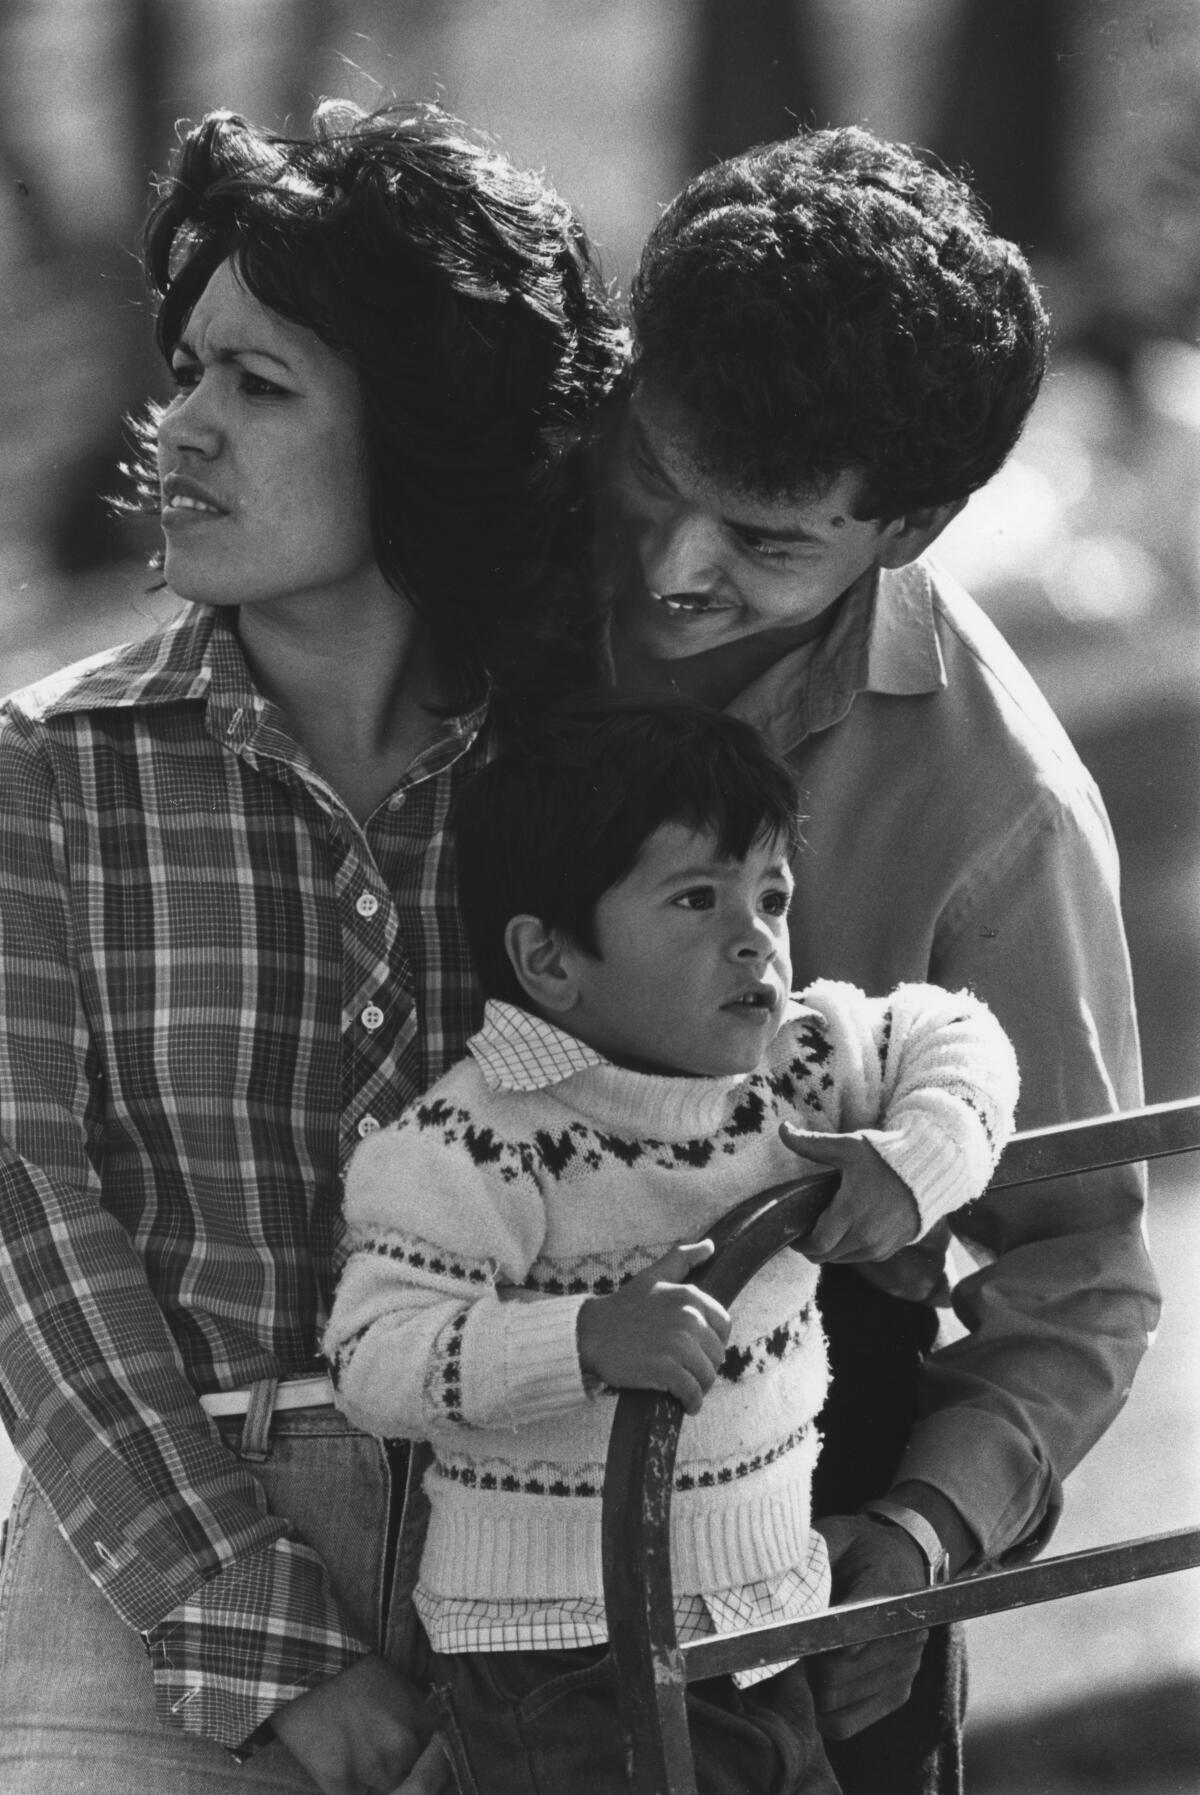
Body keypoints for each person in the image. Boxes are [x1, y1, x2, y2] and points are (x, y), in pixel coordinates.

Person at [0, 101, 623, 1794]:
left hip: (538, 1582)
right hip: (143, 1585)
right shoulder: (48, 772)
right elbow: (28, 1234)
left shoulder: (583, 787)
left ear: (425, 440)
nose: (176, 428)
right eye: (188, 367)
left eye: (258, 386)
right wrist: (261, 1633)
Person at [598, 124, 1161, 1794]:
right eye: (653, 477)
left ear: (904, 532)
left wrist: (912, 1544)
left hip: (801, 1505)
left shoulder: (1007, 815)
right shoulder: (480, 541)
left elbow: (1079, 1278)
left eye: (765, 542)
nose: (671, 568)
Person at [323, 697, 1020, 1795]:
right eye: (697, 899)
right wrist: (590, 1338)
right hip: (562, 1659)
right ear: (550, 960)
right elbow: (375, 1356)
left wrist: (915, 1159)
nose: (756, 937)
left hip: (768, 1625)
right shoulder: (479, 1140)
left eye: (772, 896)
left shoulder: (788, 1070)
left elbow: (956, 1030)